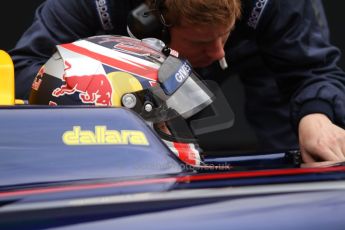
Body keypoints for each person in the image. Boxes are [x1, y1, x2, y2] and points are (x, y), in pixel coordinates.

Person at [8, 0, 345, 163]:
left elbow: (313, 71)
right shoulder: (90, 5)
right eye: (202, 43)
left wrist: (316, 114)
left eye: (223, 36)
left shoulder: (274, 5)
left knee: (302, 143)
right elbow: (27, 69)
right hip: (129, 61)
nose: (217, 53)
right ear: (150, 24)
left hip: (262, 50)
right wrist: (107, 86)